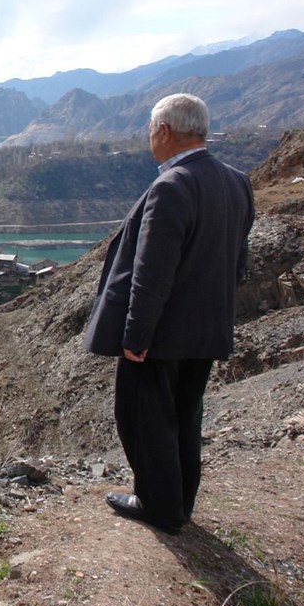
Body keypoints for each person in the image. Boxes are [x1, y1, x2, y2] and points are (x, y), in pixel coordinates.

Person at [82, 93, 254, 535]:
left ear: (164, 131)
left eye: (150, 131)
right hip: (208, 329)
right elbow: (237, 262)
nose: (149, 139)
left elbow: (151, 273)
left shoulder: (171, 186)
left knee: (144, 416)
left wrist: (137, 336)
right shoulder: (237, 182)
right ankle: (179, 501)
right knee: (185, 415)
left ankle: (157, 504)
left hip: (161, 334)